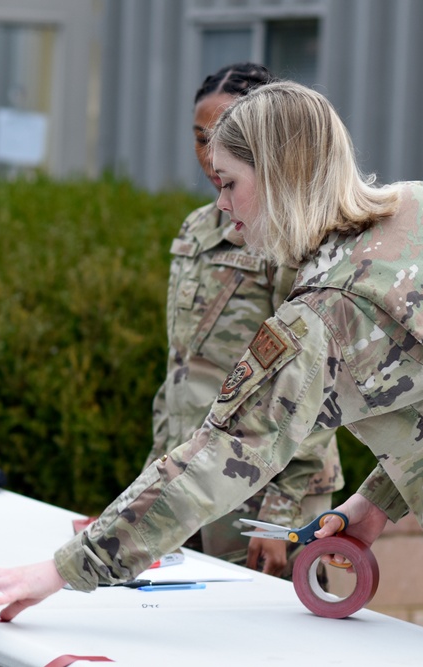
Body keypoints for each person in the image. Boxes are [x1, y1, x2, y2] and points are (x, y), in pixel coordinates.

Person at [0, 80, 423, 620]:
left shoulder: (322, 316)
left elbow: (215, 459)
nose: (222, 205)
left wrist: (62, 570)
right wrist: (373, 503)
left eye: (229, 182)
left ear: (281, 176)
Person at [147, 63, 343, 577]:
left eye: (222, 136)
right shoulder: (196, 227)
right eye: (199, 138)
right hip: (200, 478)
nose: (209, 155)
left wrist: (279, 514)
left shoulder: (291, 235)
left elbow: (319, 381)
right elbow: (182, 367)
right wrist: (157, 479)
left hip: (269, 489)